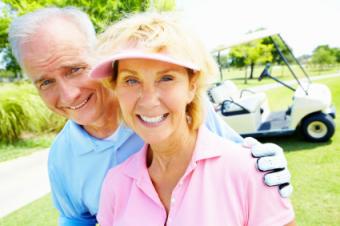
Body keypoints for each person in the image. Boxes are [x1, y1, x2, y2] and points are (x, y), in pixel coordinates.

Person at [8, 7, 292, 226]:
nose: (69, 95)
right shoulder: (69, 162)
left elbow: (239, 161)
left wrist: (263, 165)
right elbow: (76, 220)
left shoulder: (178, 110)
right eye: (45, 82)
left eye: (74, 69)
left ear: (98, 60)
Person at [92, 12, 296, 226]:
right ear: (115, 88)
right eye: (131, 80)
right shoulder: (115, 184)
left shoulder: (250, 171)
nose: (149, 100)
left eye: (167, 78)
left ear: (191, 86)